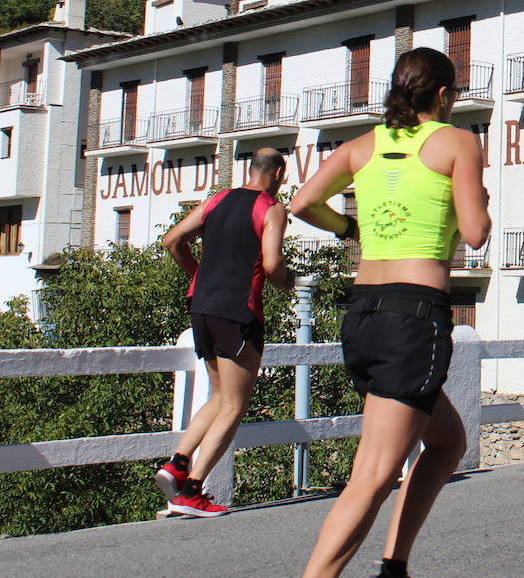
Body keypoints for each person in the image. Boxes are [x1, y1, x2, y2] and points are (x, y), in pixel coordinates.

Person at [291, 48, 490, 578]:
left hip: (364, 314)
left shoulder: (362, 146)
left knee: (447, 441)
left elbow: (303, 201)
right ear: (445, 95)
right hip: (415, 316)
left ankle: (394, 566)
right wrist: (480, 201)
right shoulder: (457, 143)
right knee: (374, 475)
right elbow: (474, 232)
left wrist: (351, 229)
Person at [156, 148, 290, 517]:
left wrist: (199, 276)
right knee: (235, 403)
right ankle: (192, 491)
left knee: (219, 394)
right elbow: (273, 262)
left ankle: (177, 463)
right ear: (278, 173)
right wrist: (287, 281)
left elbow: (172, 240)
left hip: (201, 307)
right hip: (237, 311)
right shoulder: (272, 208)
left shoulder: (217, 200)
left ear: (251, 169)